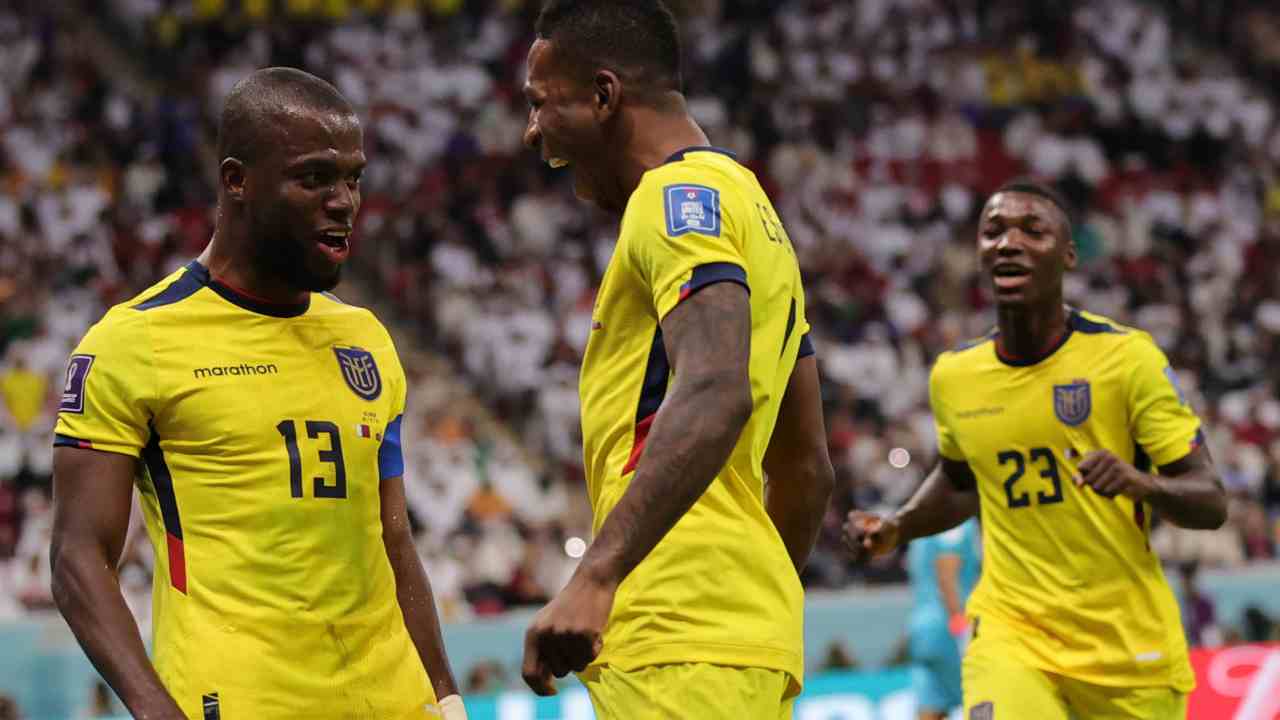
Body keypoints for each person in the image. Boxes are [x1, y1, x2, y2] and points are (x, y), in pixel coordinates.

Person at [49, 67, 467, 720]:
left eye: (353, 179)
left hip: (393, 701)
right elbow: (78, 558)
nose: (344, 201)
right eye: (314, 178)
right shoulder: (135, 342)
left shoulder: (366, 340)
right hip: (240, 702)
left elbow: (392, 536)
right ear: (236, 181)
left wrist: (446, 695)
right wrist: (156, 709)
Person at [518, 2, 835, 718]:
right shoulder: (754, 210)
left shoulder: (673, 199)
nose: (531, 131)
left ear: (604, 96)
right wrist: (745, 601)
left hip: (677, 637)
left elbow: (717, 387)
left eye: (541, 105)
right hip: (742, 639)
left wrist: (598, 573)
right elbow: (807, 470)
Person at [845, 180, 1228, 720]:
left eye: (1032, 230)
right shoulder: (957, 377)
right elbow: (961, 480)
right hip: (1013, 633)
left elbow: (1210, 499)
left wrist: (1142, 483)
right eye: (993, 231)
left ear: (1068, 254)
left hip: (1126, 647)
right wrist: (900, 526)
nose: (1008, 242)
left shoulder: (1127, 360)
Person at [906, 517, 980, 720]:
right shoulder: (953, 523)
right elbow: (947, 575)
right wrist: (959, 623)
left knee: (930, 704)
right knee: (980, 698)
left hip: (921, 627)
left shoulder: (921, 524)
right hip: (948, 627)